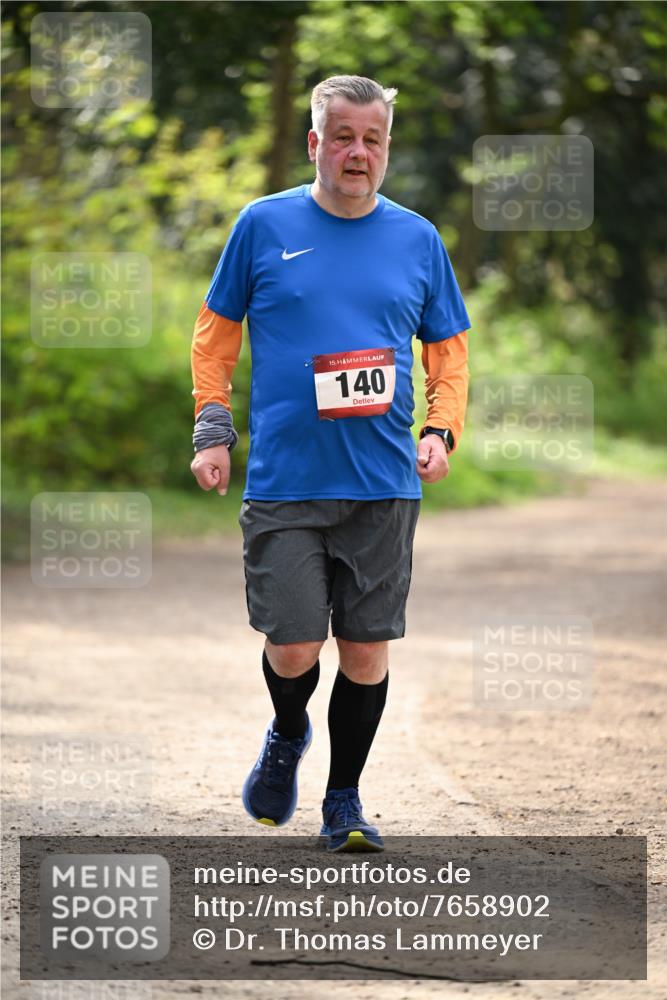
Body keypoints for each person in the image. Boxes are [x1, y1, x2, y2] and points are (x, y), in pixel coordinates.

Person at [190, 75, 470, 853]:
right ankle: (287, 732)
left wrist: (440, 430)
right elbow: (214, 337)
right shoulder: (262, 224)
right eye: (341, 138)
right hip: (285, 478)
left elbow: (448, 352)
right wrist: (212, 428)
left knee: (366, 648)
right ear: (315, 143)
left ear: (386, 148)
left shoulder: (417, 238)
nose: (356, 153)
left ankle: (343, 801)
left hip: (381, 481)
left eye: (370, 140)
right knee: (293, 647)